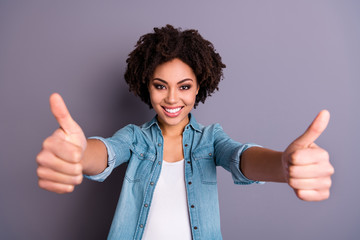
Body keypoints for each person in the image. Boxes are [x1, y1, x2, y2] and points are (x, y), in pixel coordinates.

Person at [36, 25, 334, 240]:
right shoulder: (136, 138)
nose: (172, 99)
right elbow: (106, 152)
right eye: (160, 85)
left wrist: (282, 165)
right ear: (146, 86)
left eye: (184, 86)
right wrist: (78, 155)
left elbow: (240, 157)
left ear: (199, 86)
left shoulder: (210, 139)